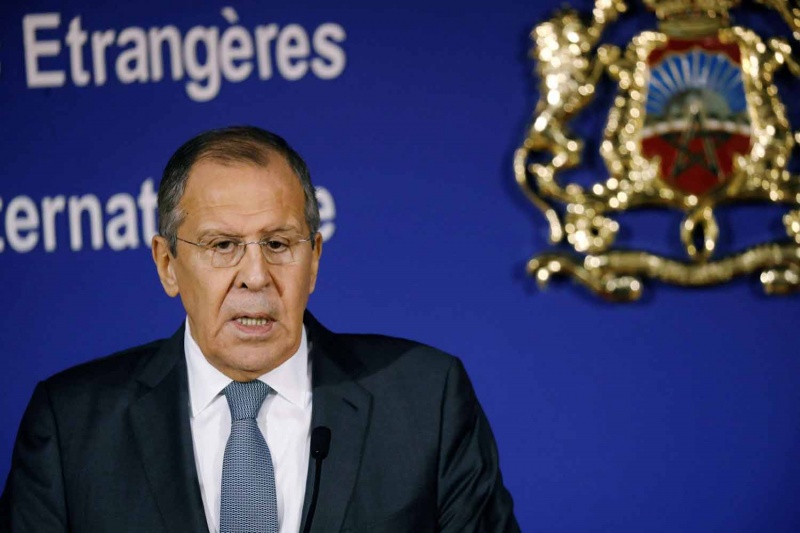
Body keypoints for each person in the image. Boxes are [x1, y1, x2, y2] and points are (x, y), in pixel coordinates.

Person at [0, 126, 520, 532]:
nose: (255, 276)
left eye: (277, 244)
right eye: (222, 245)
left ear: (313, 260)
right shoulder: (72, 427)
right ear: (167, 265)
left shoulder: (426, 401)